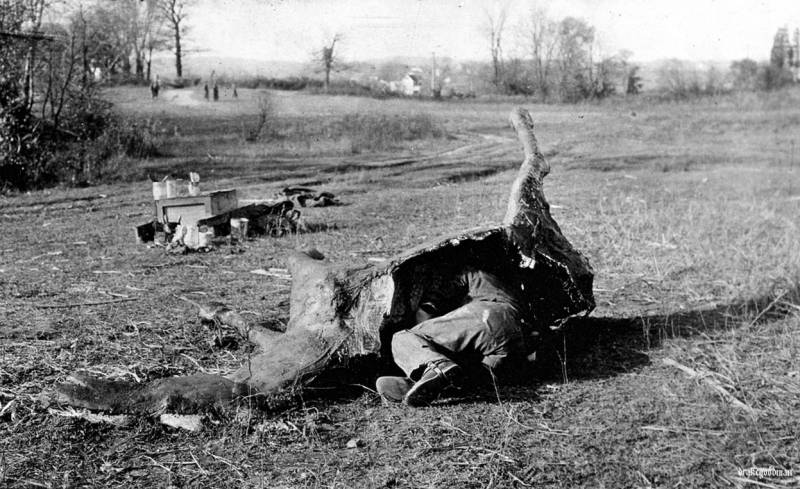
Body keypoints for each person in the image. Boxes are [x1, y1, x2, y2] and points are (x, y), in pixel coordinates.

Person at [377, 267, 529, 406]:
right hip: (512, 347)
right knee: (466, 375)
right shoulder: (513, 282)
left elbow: (428, 309)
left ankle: (435, 367)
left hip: (489, 316)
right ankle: (420, 384)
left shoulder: (471, 271)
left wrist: (420, 332)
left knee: (403, 337)